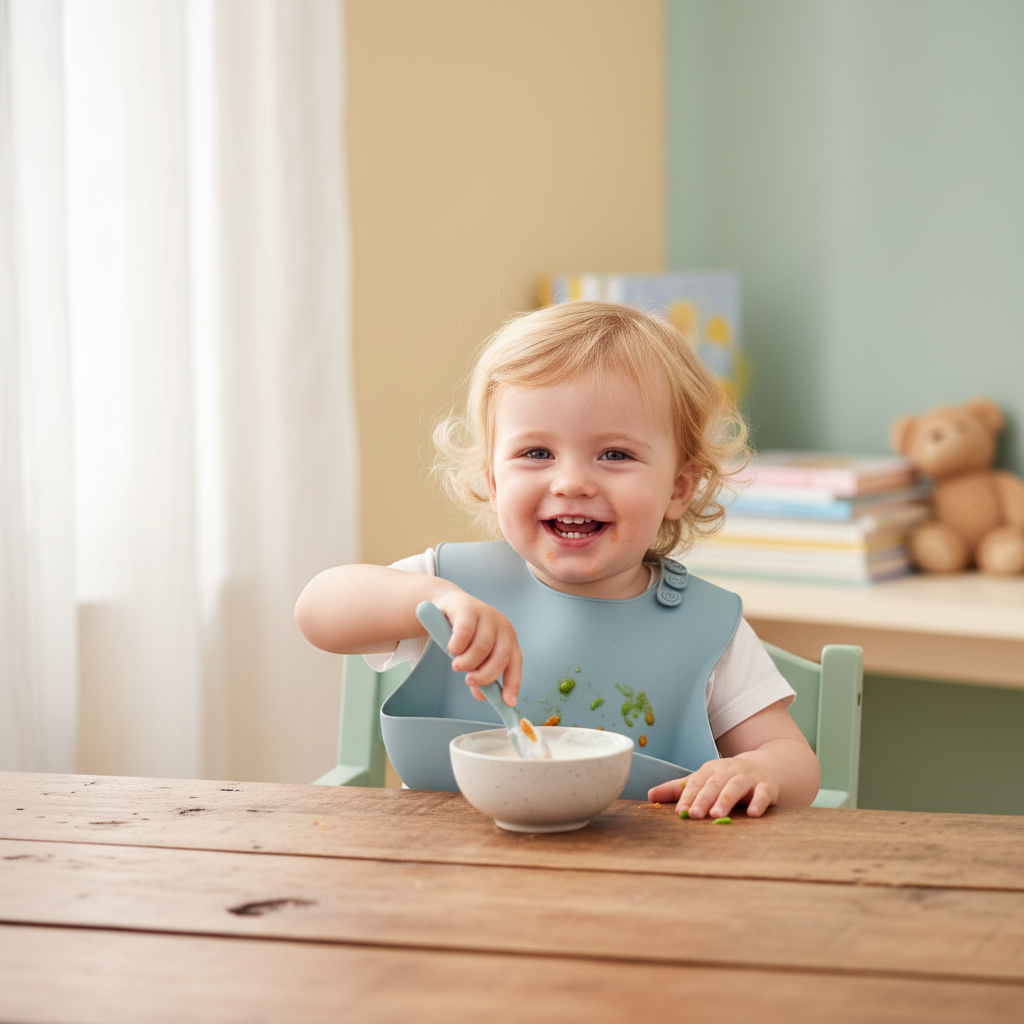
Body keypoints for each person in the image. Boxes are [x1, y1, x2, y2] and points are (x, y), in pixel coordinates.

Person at [295, 301, 820, 818]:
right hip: (452, 879)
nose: (571, 482)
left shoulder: (706, 626)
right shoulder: (450, 585)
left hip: (647, 882)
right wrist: (434, 599)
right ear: (494, 479)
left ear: (679, 487)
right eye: (537, 453)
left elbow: (795, 762)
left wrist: (760, 771)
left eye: (615, 454)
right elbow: (317, 611)